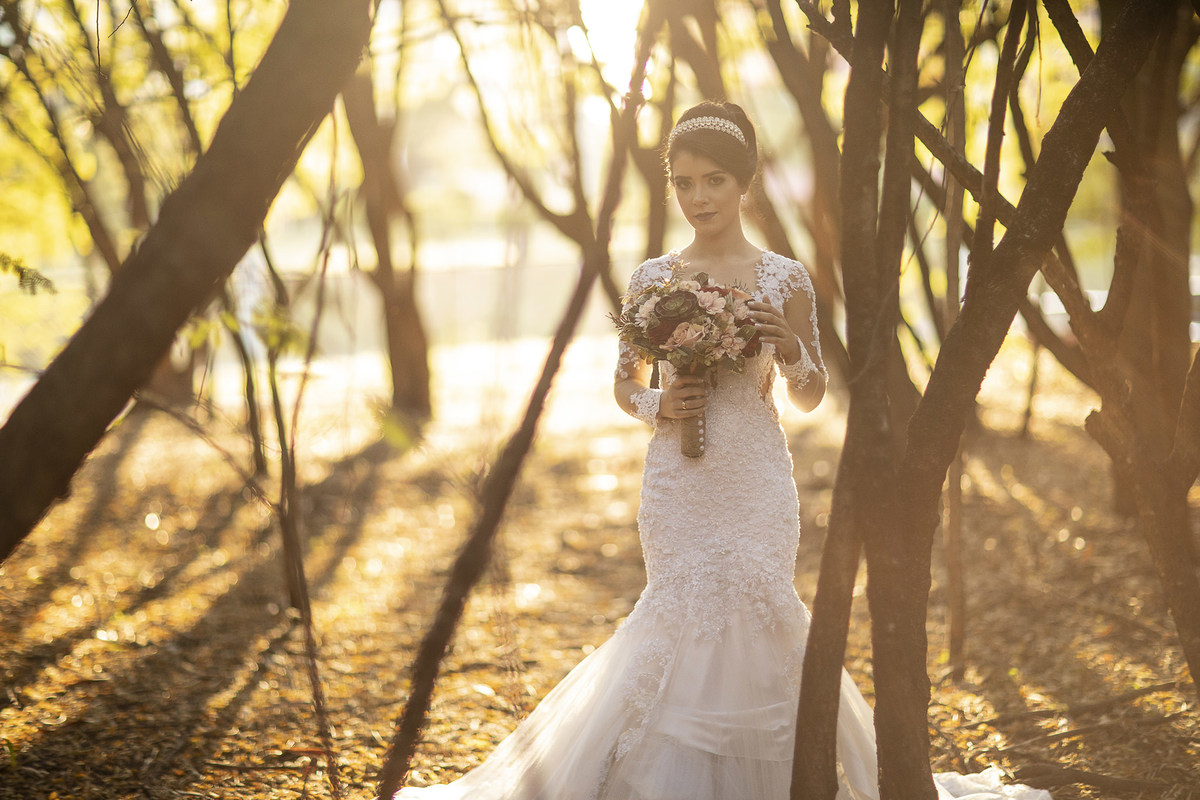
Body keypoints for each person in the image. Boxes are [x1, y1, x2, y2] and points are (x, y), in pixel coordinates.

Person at [395, 101, 1050, 800]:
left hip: (757, 480)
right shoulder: (652, 278)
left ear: (745, 184)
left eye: (713, 181)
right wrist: (660, 405)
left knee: (762, 617)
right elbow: (624, 385)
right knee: (679, 620)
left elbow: (811, 394)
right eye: (683, 183)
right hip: (678, 481)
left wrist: (792, 347)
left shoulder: (785, 279)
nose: (698, 197)